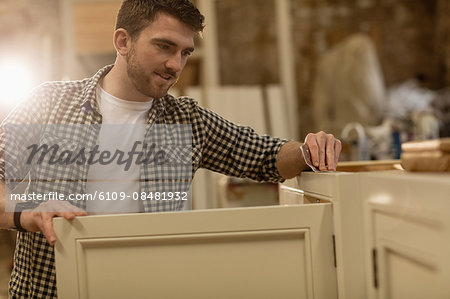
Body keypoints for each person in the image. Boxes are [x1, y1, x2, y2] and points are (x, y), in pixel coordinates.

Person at [0, 0, 341, 297]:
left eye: (184, 52)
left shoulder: (187, 122)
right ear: (123, 41)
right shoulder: (49, 103)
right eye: (164, 47)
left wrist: (310, 150)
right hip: (53, 291)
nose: (176, 65)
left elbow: (265, 157)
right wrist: (27, 212)